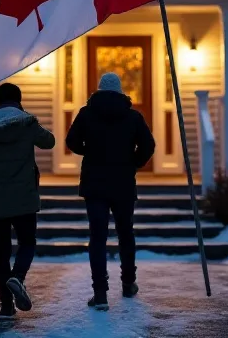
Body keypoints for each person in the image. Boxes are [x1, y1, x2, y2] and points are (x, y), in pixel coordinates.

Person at [0, 82, 55, 321]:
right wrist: (30, 120)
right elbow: (50, 141)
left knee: (2, 251)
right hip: (24, 198)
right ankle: (18, 277)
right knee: (27, 242)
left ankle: (6, 306)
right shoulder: (26, 123)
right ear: (18, 100)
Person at [66, 72, 155, 311]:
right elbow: (149, 145)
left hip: (95, 184)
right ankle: (128, 283)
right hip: (123, 183)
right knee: (126, 233)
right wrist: (132, 162)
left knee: (98, 237)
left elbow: (72, 142)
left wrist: (91, 151)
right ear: (119, 91)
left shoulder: (87, 114)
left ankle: (101, 294)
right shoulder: (133, 116)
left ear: (99, 90)